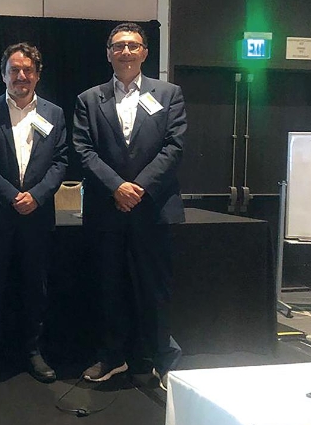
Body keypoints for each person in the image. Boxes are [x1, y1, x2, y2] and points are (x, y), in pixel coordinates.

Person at [72, 22, 186, 391]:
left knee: (156, 288)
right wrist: (116, 186)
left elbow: (174, 147)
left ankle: (162, 360)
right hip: (107, 209)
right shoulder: (89, 99)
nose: (125, 52)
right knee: (109, 286)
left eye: (133, 46)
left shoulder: (169, 94)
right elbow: (83, 150)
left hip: (154, 208)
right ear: (108, 53)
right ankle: (113, 357)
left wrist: (137, 187)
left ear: (145, 52)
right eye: (118, 46)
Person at [0, 42, 68, 384]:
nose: (21, 76)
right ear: (3, 74)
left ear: (37, 75)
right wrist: (13, 196)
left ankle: (32, 353)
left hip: (37, 218)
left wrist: (36, 196)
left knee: (34, 289)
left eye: (27, 70)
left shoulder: (53, 113)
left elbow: (61, 162)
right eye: (14, 70)